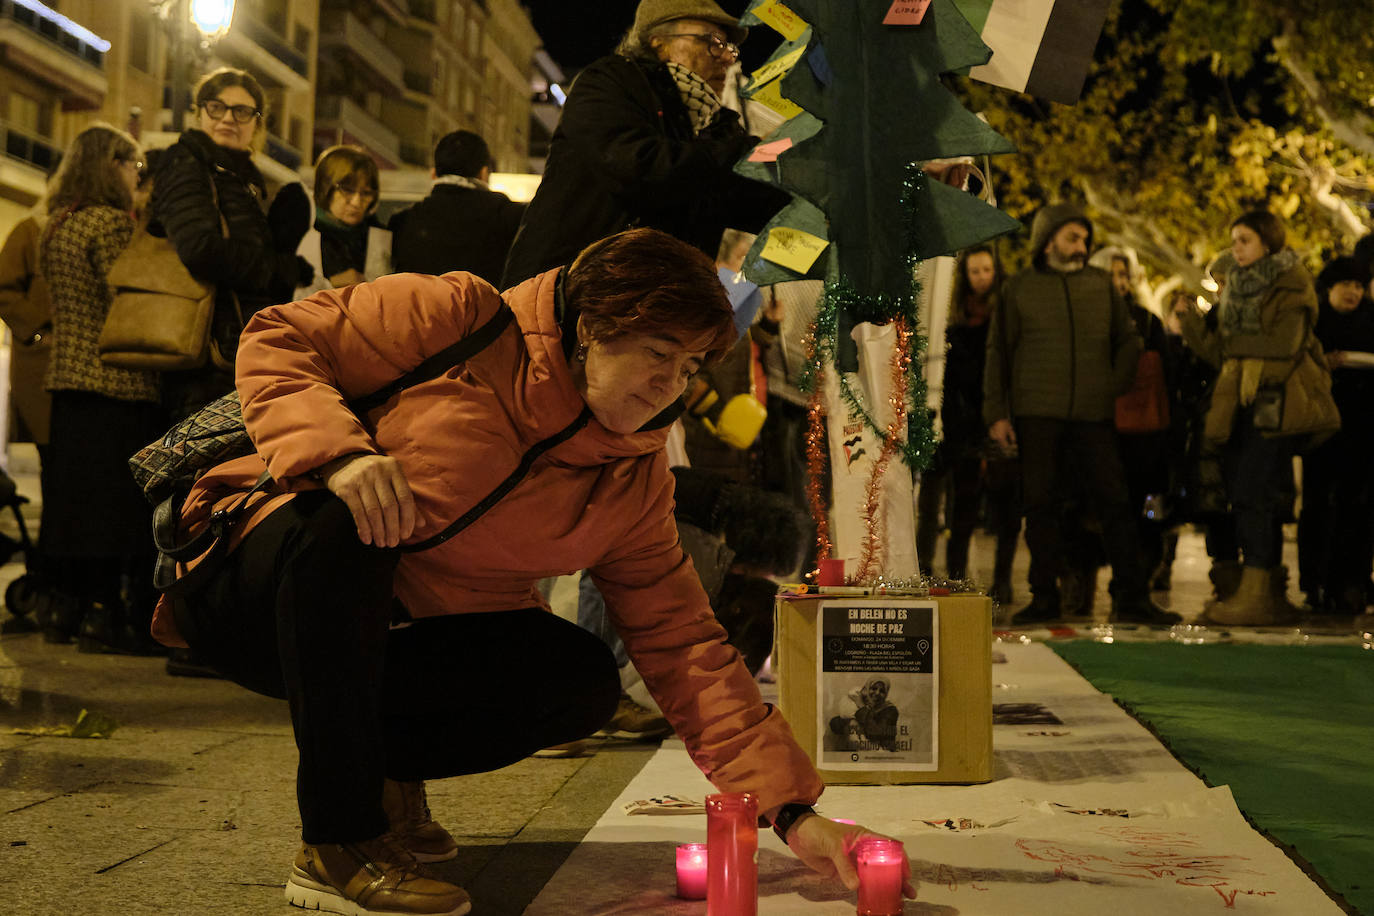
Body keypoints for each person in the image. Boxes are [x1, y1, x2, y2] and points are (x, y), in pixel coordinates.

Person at [152, 228, 915, 915]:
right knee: (348, 526)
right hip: (251, 581)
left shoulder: (632, 478)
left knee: (576, 679)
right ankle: (337, 842)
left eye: (687, 368)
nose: (670, 386)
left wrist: (793, 813)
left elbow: (683, 644)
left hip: (395, 635)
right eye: (656, 355)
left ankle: (380, 774)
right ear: (592, 328)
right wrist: (341, 456)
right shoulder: (459, 318)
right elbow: (278, 336)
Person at [500, 0, 789, 286]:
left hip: (648, 306)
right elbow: (643, 169)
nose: (727, 57)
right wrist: (746, 151)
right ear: (658, 42)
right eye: (713, 42)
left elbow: (742, 198)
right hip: (567, 300)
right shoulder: (610, 82)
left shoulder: (712, 128)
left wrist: (796, 165)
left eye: (729, 47)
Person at [984, 203, 1179, 626]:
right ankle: (1044, 595)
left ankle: (1132, 595)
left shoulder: (1099, 285)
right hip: (1037, 413)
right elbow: (998, 352)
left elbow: (1128, 340)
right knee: (1040, 506)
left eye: (1085, 240)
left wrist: (1112, 384)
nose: (1082, 246)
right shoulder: (1019, 289)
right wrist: (997, 413)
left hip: (1093, 416)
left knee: (1115, 502)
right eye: (1073, 237)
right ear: (1048, 239)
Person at [1175, 210, 1338, 626]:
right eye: (1234, 241)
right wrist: (1192, 324)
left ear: (1267, 241)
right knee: (1244, 494)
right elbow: (1221, 353)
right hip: (1242, 403)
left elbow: (1284, 343)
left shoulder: (1291, 281)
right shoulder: (1235, 291)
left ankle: (1259, 592)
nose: (1237, 249)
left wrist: (1234, 346)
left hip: (1277, 402)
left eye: (1244, 240)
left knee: (1255, 493)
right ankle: (1258, 590)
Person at [36, 124, 164, 653]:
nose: (135, 176)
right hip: (117, 382)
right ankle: (105, 614)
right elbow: (127, 298)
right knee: (113, 509)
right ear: (109, 164)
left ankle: (66, 609)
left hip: (67, 378)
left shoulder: (58, 223)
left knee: (72, 504)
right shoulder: (111, 225)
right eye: (131, 165)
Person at [150, 66, 312, 420]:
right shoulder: (188, 163)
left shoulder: (239, 179)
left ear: (257, 123)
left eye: (242, 111)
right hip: (201, 358)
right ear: (199, 112)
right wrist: (281, 269)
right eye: (216, 107)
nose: (228, 118)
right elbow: (199, 248)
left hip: (231, 354)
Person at [917, 246, 1021, 603]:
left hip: (998, 418)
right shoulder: (955, 322)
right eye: (974, 271)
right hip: (963, 425)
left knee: (1005, 507)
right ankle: (958, 579)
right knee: (963, 507)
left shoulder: (1006, 318)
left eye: (987, 270)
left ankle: (1002, 581)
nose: (981, 277)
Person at [1297, 256, 1374, 615]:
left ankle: (1351, 583)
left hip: (1363, 428)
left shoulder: (1369, 321)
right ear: (1329, 288)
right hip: (1322, 428)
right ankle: (1315, 582)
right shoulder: (1314, 324)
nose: (1354, 292)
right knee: (1318, 504)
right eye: (1347, 284)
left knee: (1357, 507)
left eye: (1359, 285)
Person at [388, 130, 524, 285]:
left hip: (415, 308)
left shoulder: (401, 221)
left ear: (434, 174)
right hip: (485, 308)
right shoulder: (510, 217)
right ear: (483, 173)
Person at [297, 145, 392, 291]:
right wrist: (331, 284)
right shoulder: (298, 233)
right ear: (325, 187)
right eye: (347, 190)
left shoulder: (379, 239)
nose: (356, 202)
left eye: (366, 193)